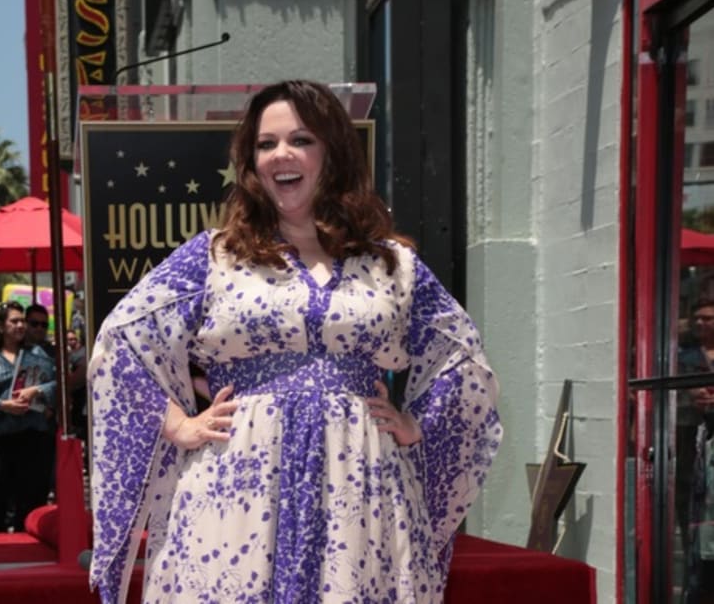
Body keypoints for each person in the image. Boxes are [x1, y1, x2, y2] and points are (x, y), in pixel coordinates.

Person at [88, 80, 503, 603]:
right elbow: (119, 343)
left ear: (333, 153)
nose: (281, 154)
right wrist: (178, 424)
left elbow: (463, 357)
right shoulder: (214, 256)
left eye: (301, 139)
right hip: (238, 491)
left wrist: (415, 422)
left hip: (360, 491)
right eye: (266, 144)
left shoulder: (390, 264)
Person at [0, 300, 56, 532]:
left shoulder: (38, 353)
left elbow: (56, 383)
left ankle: (26, 537)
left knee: (31, 491)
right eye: (15, 321)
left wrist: (37, 391)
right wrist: (2, 405)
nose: (21, 325)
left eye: (23, 321)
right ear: (0, 326)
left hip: (33, 431)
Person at [677, 298, 714, 602]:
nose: (702, 324)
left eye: (709, 318)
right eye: (697, 318)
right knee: (691, 510)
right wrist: (690, 396)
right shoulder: (682, 356)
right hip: (689, 441)